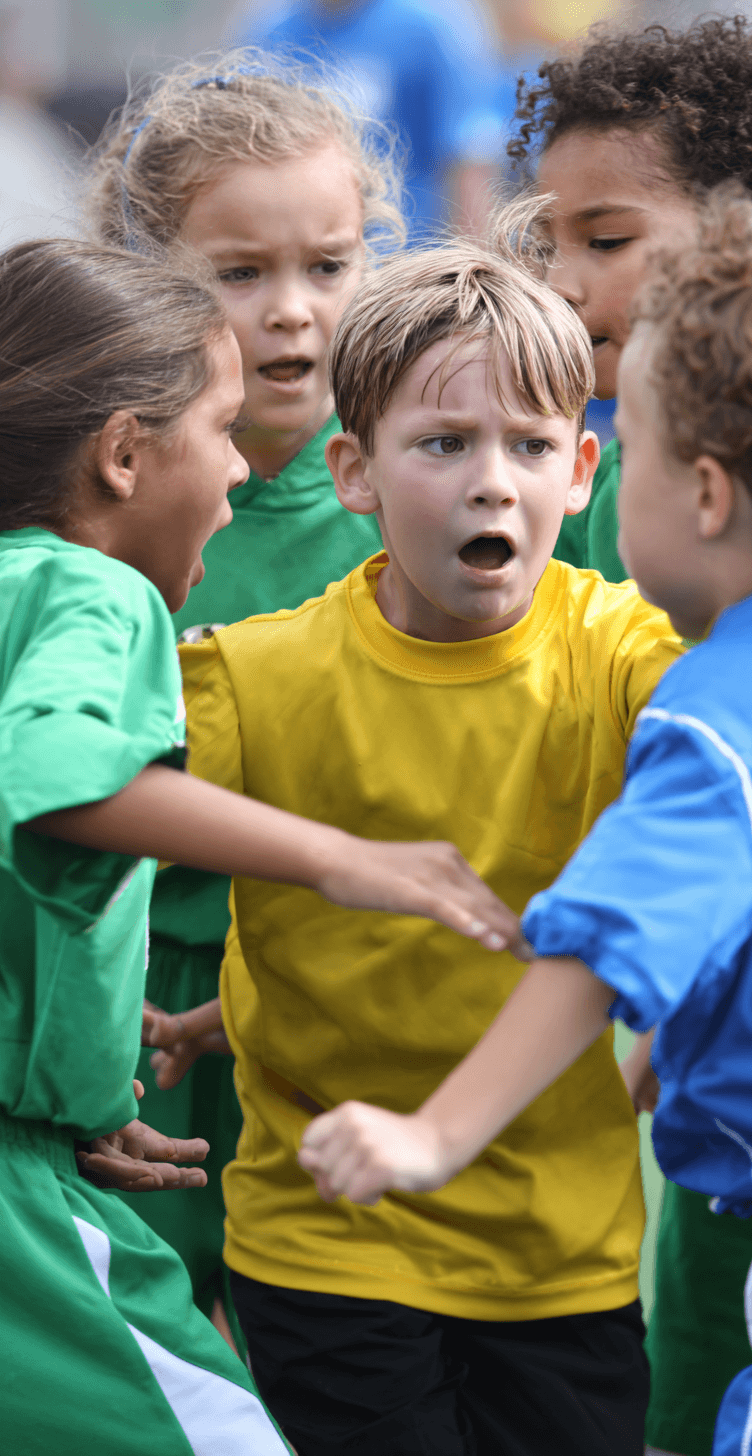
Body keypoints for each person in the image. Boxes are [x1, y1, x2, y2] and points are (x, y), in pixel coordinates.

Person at [299, 187, 752, 1456]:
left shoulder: (722, 713)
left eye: (620, 441)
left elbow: (607, 940)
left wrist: (435, 1133)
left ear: (702, 494)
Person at [177, 195, 683, 1456]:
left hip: (561, 1251)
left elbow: (750, 757)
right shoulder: (254, 673)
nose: (491, 480)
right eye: (444, 442)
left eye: (529, 444)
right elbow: (64, 795)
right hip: (325, 1239)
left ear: (583, 469)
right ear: (354, 471)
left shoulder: (623, 648)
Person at [0, 235, 522, 1456]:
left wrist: (59, 1096)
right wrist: (349, 858)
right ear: (123, 455)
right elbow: (50, 779)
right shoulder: (94, 592)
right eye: (223, 431)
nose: (240, 469)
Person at [508, 17, 752, 1453]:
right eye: (553, 241)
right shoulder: (614, 470)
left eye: (609, 238)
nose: (565, 282)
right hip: (720, 1117)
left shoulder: (737, 543)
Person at [87, 49, 405, 1336]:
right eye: (240, 273)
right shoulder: (99, 494)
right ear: (144, 270)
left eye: (328, 266)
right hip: (134, 995)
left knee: (336, 1356)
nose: (292, 312)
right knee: (147, 1339)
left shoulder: (419, 490)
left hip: (339, 990)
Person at [237, 0, 504, 238]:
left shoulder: (432, 23)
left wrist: (471, 260)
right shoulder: (272, 28)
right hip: (301, 249)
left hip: (402, 253)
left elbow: (470, 159)